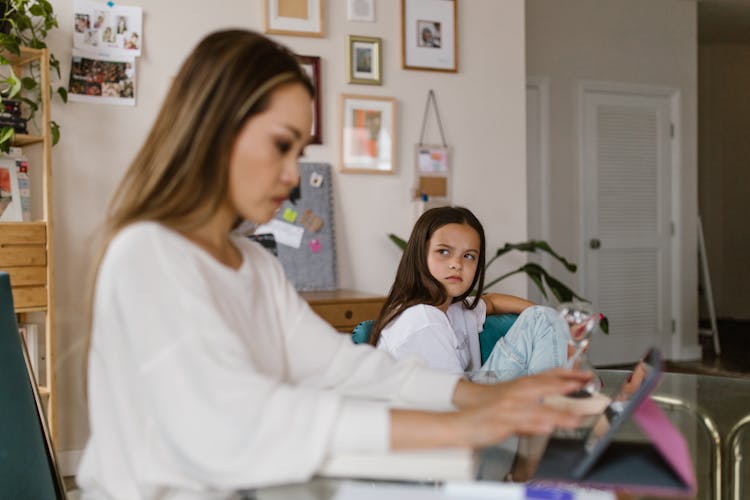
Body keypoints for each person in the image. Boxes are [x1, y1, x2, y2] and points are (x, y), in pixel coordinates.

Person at [77, 30, 590, 498]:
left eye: (299, 151)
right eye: (283, 144)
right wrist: (458, 425)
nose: (292, 174)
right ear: (215, 128)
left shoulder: (253, 265)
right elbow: (237, 420)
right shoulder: (146, 254)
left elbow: (339, 366)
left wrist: (472, 398)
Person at [369, 206, 572, 381]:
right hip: (452, 414)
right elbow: (455, 400)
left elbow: (492, 302)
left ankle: (553, 399)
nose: (456, 264)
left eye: (468, 256)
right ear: (420, 254)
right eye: (444, 252)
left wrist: (557, 326)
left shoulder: (455, 309)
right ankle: (554, 406)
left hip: (465, 396)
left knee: (543, 317)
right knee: (545, 320)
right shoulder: (422, 319)